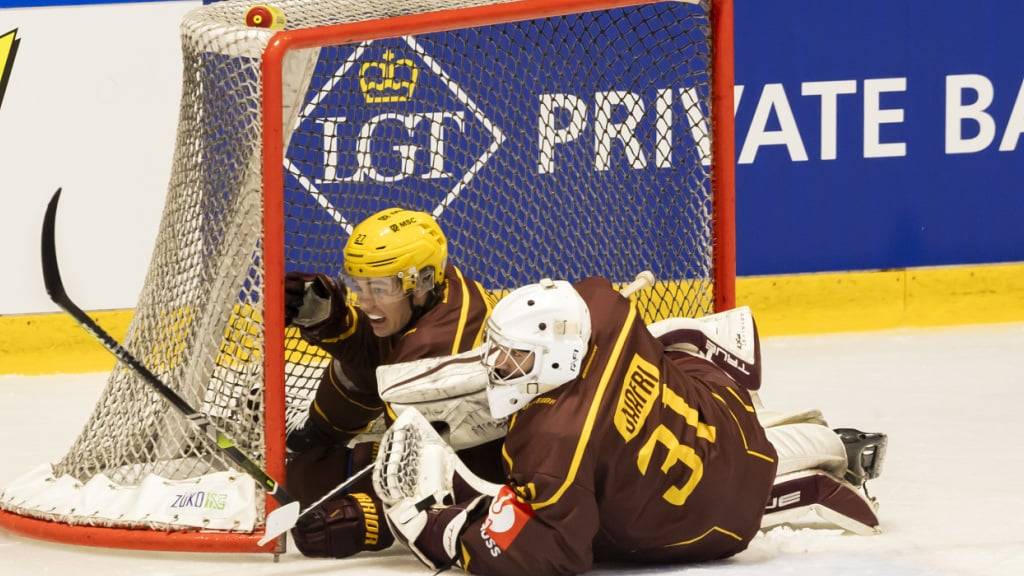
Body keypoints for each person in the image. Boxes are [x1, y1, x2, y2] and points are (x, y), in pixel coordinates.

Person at [373, 277, 780, 575]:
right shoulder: (602, 303)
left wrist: (449, 533)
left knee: (576, 519)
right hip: (728, 421)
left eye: (513, 357)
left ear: (555, 359)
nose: (495, 366)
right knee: (658, 353)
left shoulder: (551, 442)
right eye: (495, 350)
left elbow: (560, 553)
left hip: (718, 526)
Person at [283, 206, 502, 558]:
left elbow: (427, 477)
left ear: (423, 281)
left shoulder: (437, 354)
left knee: (308, 485)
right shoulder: (445, 291)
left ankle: (324, 447)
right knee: (310, 467)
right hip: (455, 447)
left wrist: (365, 520)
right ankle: (318, 436)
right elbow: (381, 348)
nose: (365, 301)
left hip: (487, 479)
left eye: (379, 288)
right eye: (358, 285)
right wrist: (332, 319)